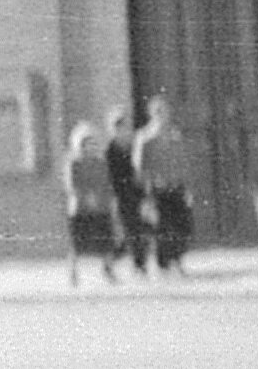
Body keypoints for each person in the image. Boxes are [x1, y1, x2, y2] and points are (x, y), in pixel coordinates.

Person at [133, 94, 192, 275]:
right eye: (157, 111)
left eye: (164, 111)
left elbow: (183, 162)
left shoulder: (175, 135)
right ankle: (164, 263)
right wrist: (146, 189)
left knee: (181, 224)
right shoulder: (145, 137)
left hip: (176, 186)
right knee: (163, 227)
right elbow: (139, 166)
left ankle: (178, 259)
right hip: (157, 188)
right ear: (151, 113)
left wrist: (186, 186)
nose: (161, 115)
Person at [62, 121, 123, 287]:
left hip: (101, 206)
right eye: (86, 143)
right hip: (80, 208)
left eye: (92, 143)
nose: (90, 147)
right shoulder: (74, 163)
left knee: (106, 241)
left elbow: (106, 183)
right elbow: (71, 185)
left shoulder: (101, 163)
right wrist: (86, 196)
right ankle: (73, 273)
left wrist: (107, 200)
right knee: (77, 243)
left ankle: (108, 270)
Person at [101, 106, 151, 278]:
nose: (120, 129)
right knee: (130, 231)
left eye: (123, 125)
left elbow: (139, 169)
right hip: (120, 196)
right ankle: (132, 264)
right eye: (117, 126)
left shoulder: (132, 146)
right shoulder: (109, 150)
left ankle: (137, 264)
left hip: (135, 193)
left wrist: (144, 191)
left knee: (140, 229)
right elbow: (108, 177)